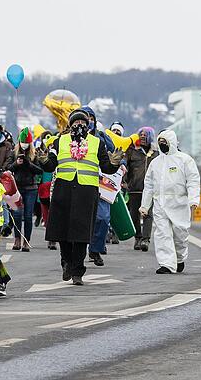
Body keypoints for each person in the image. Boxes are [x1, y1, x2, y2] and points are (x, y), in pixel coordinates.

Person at [38, 109, 121, 285]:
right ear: (70, 125)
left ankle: (77, 271)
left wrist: (114, 163)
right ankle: (66, 262)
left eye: (83, 123)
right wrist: (44, 160)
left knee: (81, 234)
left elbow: (106, 166)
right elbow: (50, 165)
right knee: (62, 232)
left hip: (86, 192)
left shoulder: (97, 143)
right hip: (64, 190)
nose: (80, 125)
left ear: (89, 125)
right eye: (76, 123)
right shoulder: (60, 141)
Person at [140, 130, 200, 274]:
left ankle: (179, 259)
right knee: (162, 234)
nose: (162, 145)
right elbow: (148, 185)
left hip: (180, 204)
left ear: (171, 142)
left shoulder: (185, 160)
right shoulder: (155, 163)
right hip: (160, 204)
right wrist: (145, 205)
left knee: (180, 234)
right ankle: (166, 264)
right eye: (160, 142)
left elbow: (193, 181)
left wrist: (193, 199)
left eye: (164, 142)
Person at [83, 106, 116, 266]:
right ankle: (75, 255)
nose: (88, 120)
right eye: (85, 117)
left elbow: (115, 154)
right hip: (80, 184)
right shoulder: (69, 137)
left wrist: (119, 163)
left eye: (91, 117)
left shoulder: (102, 137)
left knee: (103, 218)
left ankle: (95, 249)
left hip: (102, 185)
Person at [7, 127, 43, 252]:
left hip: (31, 188)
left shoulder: (34, 154)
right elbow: (8, 168)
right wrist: (17, 163)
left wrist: (28, 163)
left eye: (27, 143)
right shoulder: (13, 153)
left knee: (28, 216)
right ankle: (17, 238)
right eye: (23, 143)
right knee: (17, 214)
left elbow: (39, 170)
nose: (24, 146)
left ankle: (26, 241)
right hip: (17, 188)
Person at [125, 127, 157, 252]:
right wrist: (125, 181)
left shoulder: (156, 153)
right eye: (141, 134)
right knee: (134, 215)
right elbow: (124, 167)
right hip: (134, 188)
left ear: (150, 137)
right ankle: (137, 237)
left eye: (145, 135)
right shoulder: (132, 150)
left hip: (150, 190)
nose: (142, 136)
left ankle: (145, 239)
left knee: (148, 215)